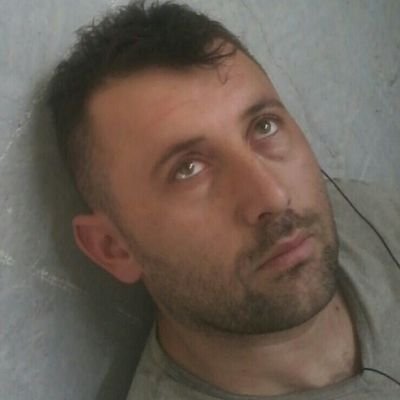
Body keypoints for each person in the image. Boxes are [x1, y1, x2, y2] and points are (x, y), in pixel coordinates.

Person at [46, 1, 400, 399]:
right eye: (188, 169)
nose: (273, 196)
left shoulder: (374, 215)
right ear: (114, 248)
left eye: (263, 126)